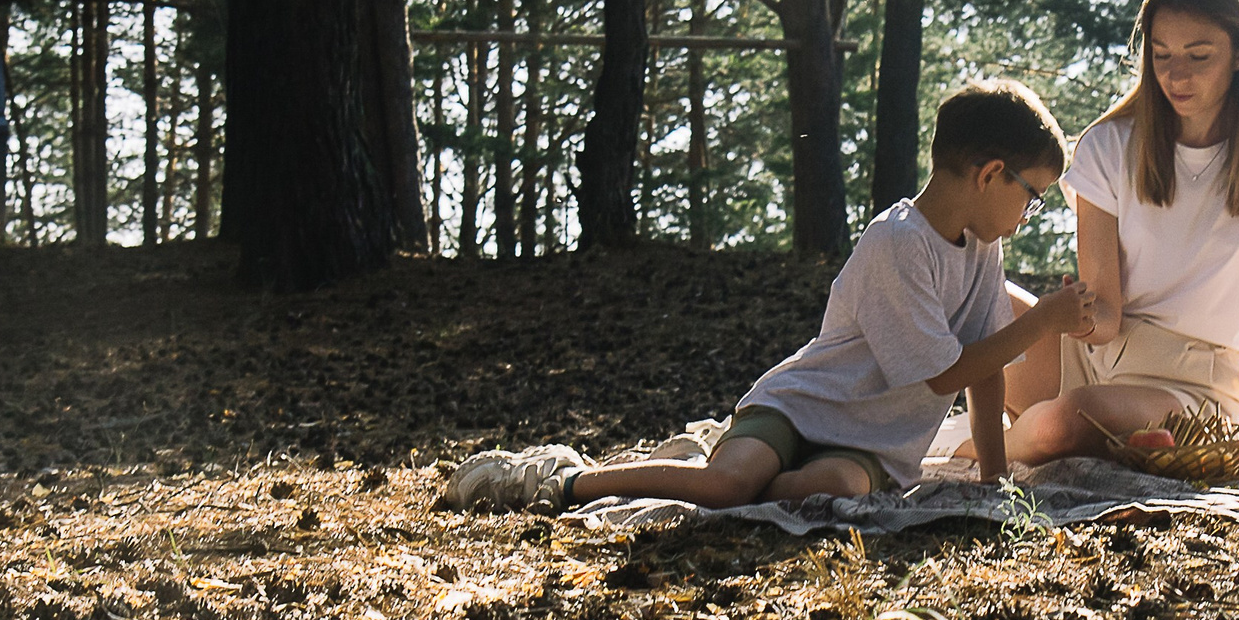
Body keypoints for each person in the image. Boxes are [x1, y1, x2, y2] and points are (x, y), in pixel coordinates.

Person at [445, 79, 1104, 512]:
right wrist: (1042, 318)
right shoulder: (898, 242)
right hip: (802, 405)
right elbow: (941, 375)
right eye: (1033, 194)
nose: (1030, 212)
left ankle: (733, 470)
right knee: (728, 485)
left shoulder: (983, 248)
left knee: (828, 489)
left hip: (870, 449)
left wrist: (992, 484)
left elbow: (985, 372)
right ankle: (563, 479)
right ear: (992, 174)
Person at [996, 0, 1239, 465]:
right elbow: (1107, 318)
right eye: (1161, 55)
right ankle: (937, 437)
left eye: (1198, 56)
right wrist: (1072, 316)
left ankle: (971, 449)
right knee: (976, 299)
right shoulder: (1108, 146)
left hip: (1189, 389)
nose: (1175, 75)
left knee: (1063, 421)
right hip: (1088, 360)